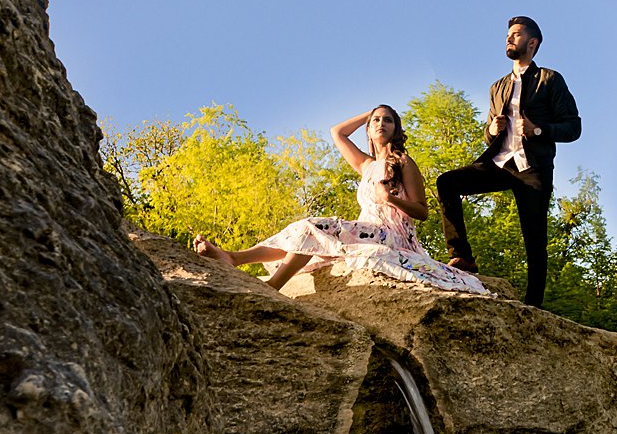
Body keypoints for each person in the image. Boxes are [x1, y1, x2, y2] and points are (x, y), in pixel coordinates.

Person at [193, 106, 488, 296]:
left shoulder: (403, 162)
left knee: (317, 227)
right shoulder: (366, 165)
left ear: (397, 129)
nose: (381, 123)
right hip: (367, 229)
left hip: (392, 236)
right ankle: (235, 258)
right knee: (310, 232)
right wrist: (369, 111)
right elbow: (337, 132)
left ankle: (266, 281)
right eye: (376, 121)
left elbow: (422, 212)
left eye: (388, 120)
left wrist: (390, 198)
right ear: (368, 128)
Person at [436, 15, 581, 307]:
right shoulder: (498, 87)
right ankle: (462, 255)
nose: (508, 38)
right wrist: (492, 130)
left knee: (535, 239)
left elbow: (573, 127)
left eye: (515, 34)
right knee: (447, 182)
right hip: (500, 164)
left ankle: (533, 307)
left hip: (533, 170)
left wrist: (538, 130)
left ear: (532, 42)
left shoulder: (550, 79)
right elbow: (489, 135)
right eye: (508, 35)